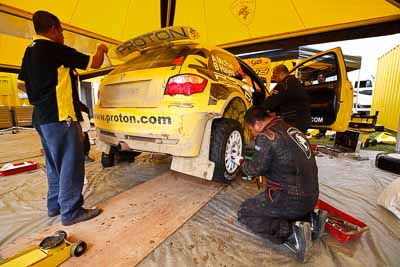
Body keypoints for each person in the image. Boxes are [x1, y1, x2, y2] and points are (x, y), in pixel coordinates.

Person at [17, 10, 108, 226]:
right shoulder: (53, 48)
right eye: (62, 31)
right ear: (53, 29)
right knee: (70, 163)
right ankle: (71, 211)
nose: (63, 36)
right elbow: (95, 63)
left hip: (40, 117)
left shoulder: (29, 51)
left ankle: (55, 205)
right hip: (60, 116)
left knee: (53, 163)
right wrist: (101, 48)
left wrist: (40, 93)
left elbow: (21, 83)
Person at [234, 107, 326, 263]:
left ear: (257, 124)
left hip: (290, 199)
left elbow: (255, 169)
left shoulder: (266, 137)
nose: (252, 134)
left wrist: (241, 162)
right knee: (287, 206)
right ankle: (311, 218)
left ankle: (292, 233)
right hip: (311, 196)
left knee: (246, 211)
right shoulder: (290, 128)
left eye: (251, 130)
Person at [263, 64, 311, 133]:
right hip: (305, 120)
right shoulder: (295, 81)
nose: (274, 79)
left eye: (275, 76)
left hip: (294, 121)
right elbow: (289, 102)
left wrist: (261, 107)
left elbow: (272, 103)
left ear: (282, 74)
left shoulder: (283, 85)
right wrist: (277, 112)